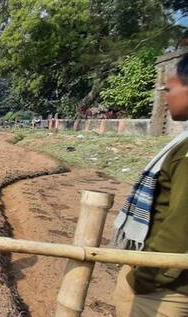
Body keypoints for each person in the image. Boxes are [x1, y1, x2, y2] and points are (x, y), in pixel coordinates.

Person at [111, 54, 188, 317]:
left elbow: (180, 228)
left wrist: (142, 277)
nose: (165, 97)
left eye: (169, 88)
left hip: (166, 291)